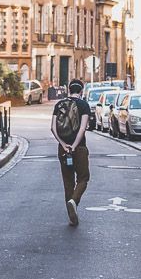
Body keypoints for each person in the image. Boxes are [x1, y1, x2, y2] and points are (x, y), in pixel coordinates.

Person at [51, 78, 91, 225]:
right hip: (79, 148)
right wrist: (74, 145)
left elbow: (53, 128)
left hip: (63, 148)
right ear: (81, 91)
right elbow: (82, 128)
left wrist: (64, 144)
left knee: (68, 182)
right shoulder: (84, 105)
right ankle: (74, 201)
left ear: (69, 90)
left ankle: (71, 216)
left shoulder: (59, 104)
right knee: (83, 178)